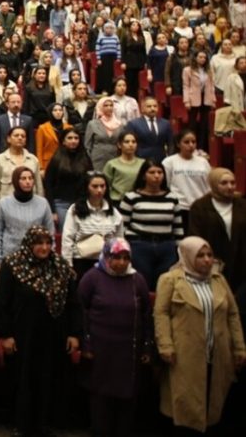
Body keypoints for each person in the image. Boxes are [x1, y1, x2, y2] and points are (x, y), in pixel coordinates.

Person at [0, 226, 81, 437]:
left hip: (53, 337)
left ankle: (45, 424)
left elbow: (73, 303)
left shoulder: (60, 266)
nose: (44, 248)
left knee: (49, 379)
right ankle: (22, 425)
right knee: (23, 381)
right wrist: (5, 335)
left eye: (48, 243)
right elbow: (1, 304)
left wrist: (73, 333)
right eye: (39, 243)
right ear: (29, 244)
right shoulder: (13, 265)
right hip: (23, 337)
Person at [153, 236, 246, 434]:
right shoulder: (170, 280)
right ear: (187, 256)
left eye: (209, 255)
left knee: (212, 406)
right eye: (200, 255)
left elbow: (232, 314)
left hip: (217, 353)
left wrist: (239, 348)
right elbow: (161, 314)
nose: (206, 260)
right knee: (183, 406)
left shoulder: (219, 280)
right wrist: (165, 345)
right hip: (183, 354)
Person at [77, 238, 152, 437]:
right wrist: (86, 344)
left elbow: (146, 314)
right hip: (101, 352)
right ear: (106, 256)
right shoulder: (92, 277)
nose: (121, 262)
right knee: (101, 400)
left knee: (127, 400)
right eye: (116, 257)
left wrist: (146, 347)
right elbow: (81, 311)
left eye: (126, 258)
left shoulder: (138, 280)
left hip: (128, 353)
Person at [120, 160, 186, 288]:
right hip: (139, 246)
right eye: (152, 172)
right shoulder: (131, 197)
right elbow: (122, 226)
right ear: (144, 175)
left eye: (160, 172)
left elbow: (178, 228)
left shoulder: (172, 197)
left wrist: (180, 252)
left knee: (165, 285)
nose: (157, 176)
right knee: (142, 284)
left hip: (166, 247)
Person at [188, 167, 246, 289]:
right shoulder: (200, 207)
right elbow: (195, 235)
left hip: (241, 261)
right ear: (213, 184)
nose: (230, 187)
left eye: (232, 183)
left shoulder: (241, 204)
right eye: (224, 183)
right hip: (213, 262)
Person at [61, 172, 124, 277]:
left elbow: (119, 240)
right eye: (95, 186)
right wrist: (68, 264)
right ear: (87, 188)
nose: (99, 190)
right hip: (80, 260)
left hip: (105, 261)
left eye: (102, 186)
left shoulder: (114, 212)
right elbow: (68, 238)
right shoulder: (75, 209)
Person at [0, 166, 54, 266]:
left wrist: (50, 256)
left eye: (30, 178)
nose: (28, 182)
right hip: (10, 258)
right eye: (23, 178)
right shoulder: (3, 204)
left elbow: (50, 233)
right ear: (16, 181)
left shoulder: (43, 203)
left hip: (37, 259)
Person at [43, 128, 93, 226]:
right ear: (63, 141)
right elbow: (48, 185)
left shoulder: (85, 158)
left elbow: (90, 181)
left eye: (76, 138)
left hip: (81, 202)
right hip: (61, 203)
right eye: (69, 138)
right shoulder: (56, 159)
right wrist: (52, 211)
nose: (73, 141)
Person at [162, 129, 212, 218]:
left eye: (193, 142)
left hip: (201, 207)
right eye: (186, 142)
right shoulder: (169, 162)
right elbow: (166, 185)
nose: (191, 145)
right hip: (180, 207)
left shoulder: (203, 162)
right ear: (178, 144)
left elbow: (209, 185)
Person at [0, 126, 42, 200]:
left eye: (23, 136)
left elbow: (39, 186)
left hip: (30, 203)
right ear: (9, 139)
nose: (20, 138)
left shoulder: (33, 160)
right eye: (16, 135)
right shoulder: (0, 159)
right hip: (7, 204)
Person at [104, 131, 143, 206]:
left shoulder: (143, 163)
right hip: (117, 201)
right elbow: (106, 185)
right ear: (119, 145)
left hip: (138, 201)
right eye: (127, 142)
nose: (131, 145)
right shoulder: (112, 164)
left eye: (133, 142)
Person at [85, 97, 123, 172]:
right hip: (97, 159)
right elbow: (87, 146)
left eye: (111, 105)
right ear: (100, 107)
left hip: (115, 158)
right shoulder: (93, 124)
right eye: (106, 105)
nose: (109, 108)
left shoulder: (119, 125)